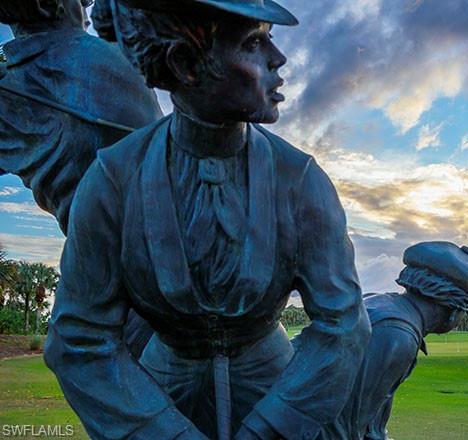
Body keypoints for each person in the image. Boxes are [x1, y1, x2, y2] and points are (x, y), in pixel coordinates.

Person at [43, 1, 370, 439]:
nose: (278, 58)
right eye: (253, 42)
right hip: (157, 404)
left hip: (278, 398)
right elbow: (79, 337)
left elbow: (344, 323)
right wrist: (164, 433)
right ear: (186, 64)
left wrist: (272, 427)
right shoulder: (113, 180)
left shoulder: (299, 180)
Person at [0, 0, 162, 233]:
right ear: (46, 4)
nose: (87, 12)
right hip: (158, 236)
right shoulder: (103, 56)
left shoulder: (12, 92)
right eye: (81, 2)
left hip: (95, 252)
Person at [322, 241, 468, 440]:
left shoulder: (383, 303)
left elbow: (371, 422)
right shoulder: (398, 335)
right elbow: (345, 427)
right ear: (453, 311)